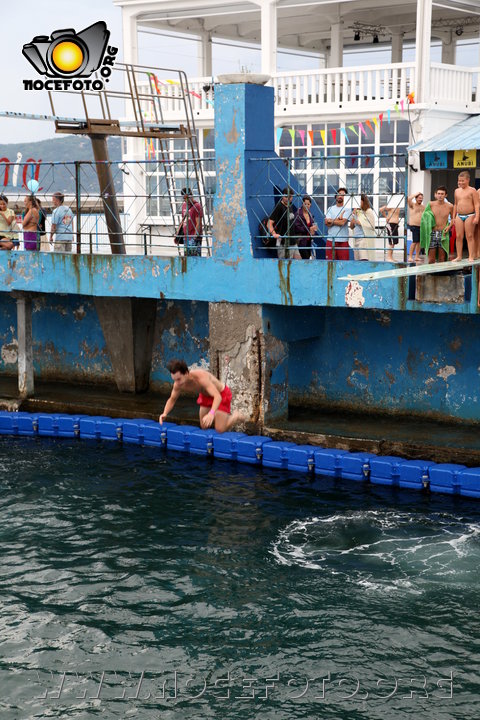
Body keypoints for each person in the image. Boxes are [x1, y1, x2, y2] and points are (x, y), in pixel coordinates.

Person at [159, 359, 245, 433]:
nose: (177, 383)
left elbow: (217, 397)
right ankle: (218, 415)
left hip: (221, 394)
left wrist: (211, 413)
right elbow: (172, 399)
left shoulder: (201, 377)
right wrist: (165, 412)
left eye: (178, 379)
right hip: (205, 396)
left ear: (186, 373)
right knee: (204, 426)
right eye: (174, 380)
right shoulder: (178, 384)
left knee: (220, 429)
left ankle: (235, 416)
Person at [420, 186, 452, 264]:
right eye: (438, 193)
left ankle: (441, 274)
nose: (440, 195)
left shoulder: (450, 206)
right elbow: (424, 218)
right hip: (432, 233)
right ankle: (431, 274)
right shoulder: (430, 204)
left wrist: (449, 227)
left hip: (443, 233)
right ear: (435, 195)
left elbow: (454, 219)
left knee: (442, 258)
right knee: (431, 258)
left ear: (446, 195)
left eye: (442, 194)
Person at [452, 171, 479, 262]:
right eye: (459, 181)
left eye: (462, 181)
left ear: (468, 180)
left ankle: (471, 255)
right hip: (459, 215)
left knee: (469, 236)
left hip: (470, 215)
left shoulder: (472, 190)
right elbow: (455, 204)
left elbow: (476, 204)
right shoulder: (456, 191)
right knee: (459, 236)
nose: (460, 182)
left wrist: (477, 217)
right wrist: (453, 217)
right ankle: (459, 256)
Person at [267, 187, 295, 259]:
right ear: (282, 196)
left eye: (290, 197)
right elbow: (269, 223)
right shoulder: (279, 207)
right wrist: (274, 234)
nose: (288, 198)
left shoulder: (290, 206)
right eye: (286, 196)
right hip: (282, 242)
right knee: (284, 264)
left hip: (292, 241)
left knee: (298, 262)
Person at [175, 187, 203, 257]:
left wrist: (194, 237)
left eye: (187, 198)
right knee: (186, 257)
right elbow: (183, 220)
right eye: (184, 198)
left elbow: (198, 223)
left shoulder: (197, 206)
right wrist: (178, 233)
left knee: (194, 258)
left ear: (191, 196)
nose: (185, 200)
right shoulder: (184, 205)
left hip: (193, 237)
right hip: (186, 236)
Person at [349, 193, 376, 261]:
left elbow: (371, 225)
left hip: (364, 239)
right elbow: (351, 226)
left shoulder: (368, 211)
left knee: (363, 258)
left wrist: (358, 221)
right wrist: (353, 215)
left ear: (363, 201)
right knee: (357, 259)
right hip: (356, 239)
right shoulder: (357, 212)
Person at [324, 188, 350, 260]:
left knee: (343, 265)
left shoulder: (347, 209)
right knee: (330, 264)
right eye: (339, 194)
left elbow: (342, 223)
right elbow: (326, 223)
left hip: (343, 241)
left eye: (343, 195)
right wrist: (338, 219)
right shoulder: (330, 208)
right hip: (331, 240)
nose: (340, 196)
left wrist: (331, 220)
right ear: (336, 196)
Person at [292, 195, 317, 259]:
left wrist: (313, 230)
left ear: (310, 205)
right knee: (305, 258)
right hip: (300, 240)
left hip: (308, 241)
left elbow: (312, 225)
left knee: (307, 258)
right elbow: (297, 227)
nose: (307, 206)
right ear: (302, 204)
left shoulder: (310, 214)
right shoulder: (298, 214)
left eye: (308, 204)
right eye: (305, 204)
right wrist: (309, 229)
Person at [407, 192, 425, 263]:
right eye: (419, 198)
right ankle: (410, 256)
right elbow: (408, 199)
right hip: (414, 226)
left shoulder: (423, 207)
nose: (420, 199)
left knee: (419, 242)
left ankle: (417, 256)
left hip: (421, 226)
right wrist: (416, 194)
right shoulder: (412, 205)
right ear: (416, 198)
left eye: (421, 198)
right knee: (414, 241)